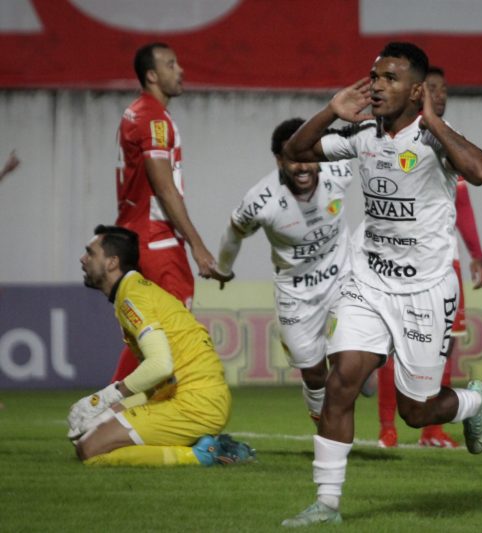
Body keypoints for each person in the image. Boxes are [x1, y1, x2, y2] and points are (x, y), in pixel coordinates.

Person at [280, 42, 482, 527]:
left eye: (390, 78)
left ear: (416, 90)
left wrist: (434, 121)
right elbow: (297, 151)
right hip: (369, 281)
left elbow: (480, 172)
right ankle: (326, 504)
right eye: (374, 77)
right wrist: (329, 110)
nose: (376, 85)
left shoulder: (435, 138)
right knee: (342, 383)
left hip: (425, 288)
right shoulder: (360, 135)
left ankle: (473, 401)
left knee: (417, 414)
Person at [68, 224, 253, 466]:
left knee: (90, 450)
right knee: (97, 428)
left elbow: (160, 366)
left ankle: (200, 456)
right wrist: (112, 409)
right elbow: (164, 377)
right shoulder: (135, 291)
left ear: (112, 262)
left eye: (90, 253)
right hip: (195, 396)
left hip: (193, 403)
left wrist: (102, 399)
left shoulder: (133, 298)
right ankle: (218, 446)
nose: (83, 259)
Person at [376, 66, 482, 449]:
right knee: (392, 344)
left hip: (443, 265)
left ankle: (432, 428)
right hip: (397, 265)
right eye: (433, 89)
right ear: (419, 92)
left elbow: (465, 203)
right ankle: (387, 427)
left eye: (444, 89)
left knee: (444, 345)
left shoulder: (448, 141)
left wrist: (476, 254)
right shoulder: (398, 136)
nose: (439, 96)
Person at [215, 118, 354, 425]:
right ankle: (326, 431)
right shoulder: (261, 201)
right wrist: (223, 269)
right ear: (279, 160)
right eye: (293, 159)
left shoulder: (340, 170)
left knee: (349, 360)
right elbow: (233, 233)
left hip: (343, 280)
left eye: (309, 157)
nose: (303, 167)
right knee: (314, 372)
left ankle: (357, 378)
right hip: (296, 294)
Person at [112, 42, 224, 382]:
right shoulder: (152, 118)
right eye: (171, 64)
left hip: (136, 232)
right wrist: (197, 245)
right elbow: (163, 186)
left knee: (150, 331)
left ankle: (120, 414)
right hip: (156, 237)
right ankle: (107, 408)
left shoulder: (137, 112)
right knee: (169, 330)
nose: (180, 70)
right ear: (152, 75)